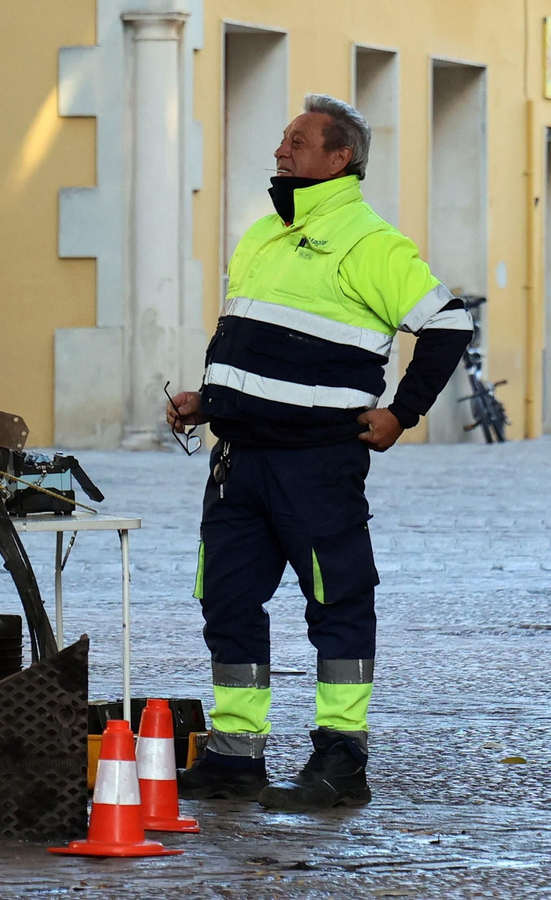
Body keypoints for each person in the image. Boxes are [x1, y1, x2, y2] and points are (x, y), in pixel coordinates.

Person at [165, 94, 472, 810]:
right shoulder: (263, 235)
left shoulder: (369, 242)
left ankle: (341, 759)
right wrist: (209, 400)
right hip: (238, 462)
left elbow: (447, 324)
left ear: (340, 159)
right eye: (282, 138)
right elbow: (249, 340)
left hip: (317, 465)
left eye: (297, 141)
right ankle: (236, 757)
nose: (280, 150)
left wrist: (402, 413)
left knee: (337, 604)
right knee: (227, 601)